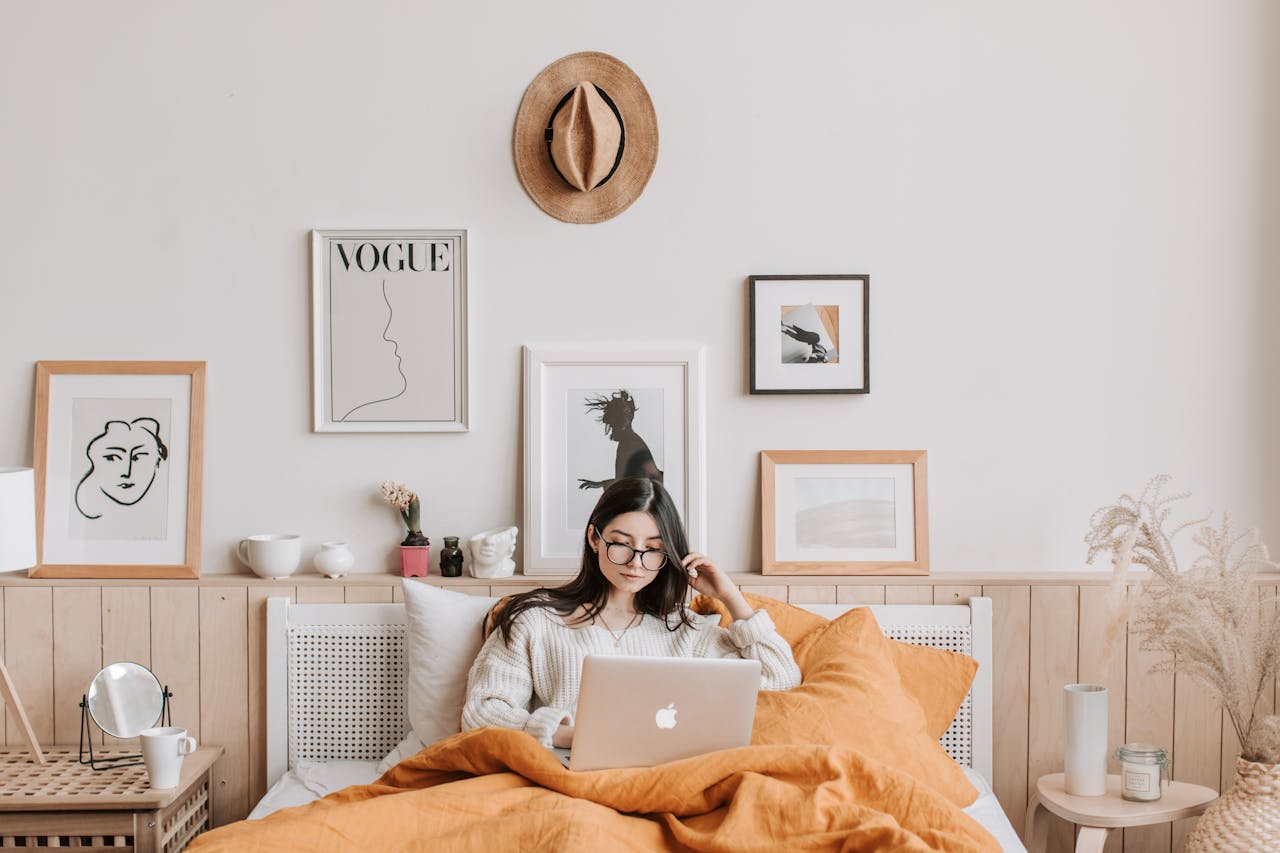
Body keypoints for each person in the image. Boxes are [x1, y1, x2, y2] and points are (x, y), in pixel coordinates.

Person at [461, 477, 801, 749]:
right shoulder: (536, 620)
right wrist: (569, 736)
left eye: (653, 549)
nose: (636, 563)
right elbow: (482, 712)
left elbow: (780, 679)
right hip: (565, 772)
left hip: (664, 778)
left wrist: (729, 596)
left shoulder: (687, 631)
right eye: (622, 544)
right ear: (594, 538)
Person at [577, 389, 663, 491]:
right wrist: (601, 484)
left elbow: (628, 482)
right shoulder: (629, 442)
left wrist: (601, 484)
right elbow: (627, 481)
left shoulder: (630, 443)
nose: (612, 429)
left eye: (613, 425)